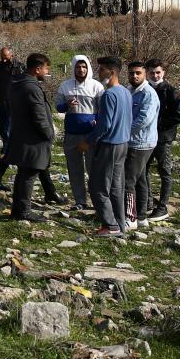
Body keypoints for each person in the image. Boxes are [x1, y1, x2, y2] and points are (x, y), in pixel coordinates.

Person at [80, 56, 133, 237]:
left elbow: (105, 126)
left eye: (101, 69)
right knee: (116, 187)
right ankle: (120, 224)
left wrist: (87, 141)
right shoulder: (125, 91)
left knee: (98, 187)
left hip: (110, 146)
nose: (99, 72)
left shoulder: (109, 94)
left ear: (111, 72)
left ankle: (110, 226)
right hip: (123, 144)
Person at [8, 54, 56, 221]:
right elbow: (39, 116)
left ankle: (17, 209)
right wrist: (49, 134)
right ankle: (23, 211)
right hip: (33, 138)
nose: (47, 71)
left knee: (23, 173)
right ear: (37, 69)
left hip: (22, 135)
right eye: (46, 68)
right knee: (28, 175)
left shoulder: (18, 83)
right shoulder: (32, 88)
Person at [55, 55, 104, 209]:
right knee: (75, 169)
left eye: (84, 66)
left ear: (88, 68)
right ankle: (80, 201)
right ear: (73, 68)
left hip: (90, 135)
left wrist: (96, 121)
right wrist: (66, 104)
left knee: (93, 169)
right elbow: (58, 107)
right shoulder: (65, 86)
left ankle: (97, 201)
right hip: (71, 134)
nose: (81, 69)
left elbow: (103, 110)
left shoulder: (97, 86)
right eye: (78, 66)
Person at [143, 58, 180, 222]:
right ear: (147, 73)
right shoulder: (143, 89)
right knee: (142, 169)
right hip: (146, 137)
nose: (155, 75)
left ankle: (162, 206)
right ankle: (148, 201)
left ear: (163, 73)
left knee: (164, 171)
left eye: (158, 72)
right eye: (152, 72)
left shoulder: (171, 91)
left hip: (163, 138)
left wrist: (158, 124)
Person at [122, 61, 159, 230]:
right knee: (140, 179)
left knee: (128, 180)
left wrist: (123, 131)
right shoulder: (129, 90)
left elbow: (144, 119)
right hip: (133, 141)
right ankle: (142, 217)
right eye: (131, 73)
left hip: (141, 142)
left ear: (144, 74)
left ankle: (130, 217)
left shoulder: (148, 93)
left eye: (138, 73)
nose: (134, 76)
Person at [0, 46, 25, 189]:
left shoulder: (19, 67)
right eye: (1, 56)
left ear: (11, 54)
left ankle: (10, 150)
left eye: (6, 56)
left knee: (12, 127)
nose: (3, 58)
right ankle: (6, 148)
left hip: (14, 103)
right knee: (3, 126)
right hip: (2, 101)